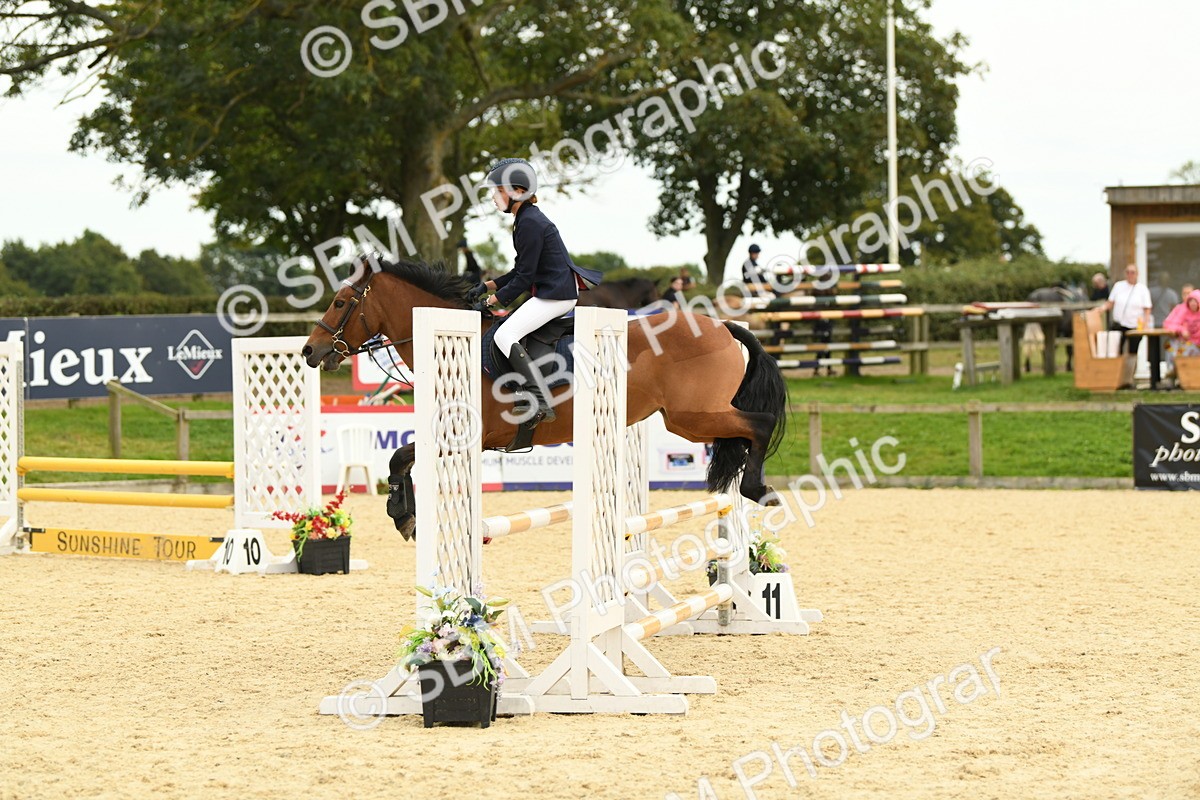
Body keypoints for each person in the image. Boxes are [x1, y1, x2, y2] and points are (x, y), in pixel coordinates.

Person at [468, 157, 602, 423]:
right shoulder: (525, 219)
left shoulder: (529, 222)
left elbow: (524, 277)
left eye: (498, 191)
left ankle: (538, 398)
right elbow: (519, 271)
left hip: (556, 295)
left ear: (518, 191)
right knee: (506, 331)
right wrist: (486, 286)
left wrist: (490, 302)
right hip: (552, 291)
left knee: (505, 336)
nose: (494, 197)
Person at [1103, 264, 1152, 354]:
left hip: (1134, 326)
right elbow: (1110, 303)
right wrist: (1101, 309)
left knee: (1132, 352)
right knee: (1116, 351)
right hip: (1119, 324)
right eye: (1128, 272)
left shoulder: (1142, 289)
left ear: (1137, 274)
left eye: (1132, 272)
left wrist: (1146, 323)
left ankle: (1131, 368)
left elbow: (1147, 308)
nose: (1130, 275)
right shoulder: (1118, 286)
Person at [1163, 289, 1200, 378]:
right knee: (1169, 345)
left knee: (1185, 350)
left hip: (1197, 344)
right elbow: (1168, 323)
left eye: (1195, 301)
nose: (1193, 304)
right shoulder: (1182, 310)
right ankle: (1173, 370)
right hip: (1185, 342)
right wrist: (1181, 329)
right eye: (1191, 301)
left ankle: (1181, 373)